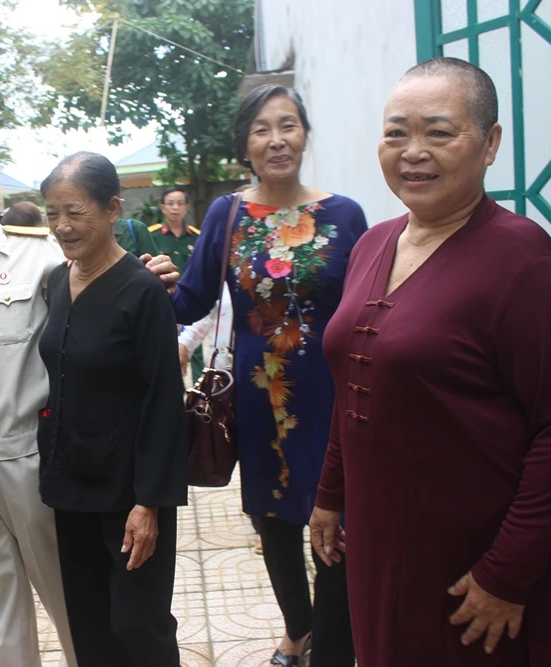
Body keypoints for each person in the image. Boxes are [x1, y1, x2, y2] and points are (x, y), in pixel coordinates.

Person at [309, 57, 551, 667]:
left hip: (473, 571)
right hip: (379, 544)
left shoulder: (525, 264)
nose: (413, 152)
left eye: (438, 132)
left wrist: (507, 573)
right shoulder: (373, 244)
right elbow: (355, 380)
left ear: (489, 144)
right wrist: (330, 493)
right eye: (396, 133)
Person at [0, 136, 179, 667]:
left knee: (77, 607)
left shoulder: (42, 253)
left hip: (36, 461)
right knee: (0, 614)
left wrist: (154, 276)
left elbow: (106, 275)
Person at [172, 85, 368, 667]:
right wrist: (135, 286)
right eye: (262, 129)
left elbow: (367, 307)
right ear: (245, 145)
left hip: (333, 397)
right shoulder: (226, 214)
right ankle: (299, 629)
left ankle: (333, 647)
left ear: (304, 135)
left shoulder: (344, 215)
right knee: (275, 522)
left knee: (340, 525)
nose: (277, 139)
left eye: (288, 125)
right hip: (263, 402)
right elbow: (191, 299)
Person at [38, 151, 188, 667]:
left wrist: (150, 503)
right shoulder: (58, 283)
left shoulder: (143, 291)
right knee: (90, 624)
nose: (62, 225)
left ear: (112, 210)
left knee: (138, 624)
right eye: (53, 213)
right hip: (69, 485)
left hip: (129, 492)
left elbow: (163, 401)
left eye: (75, 211)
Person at [151, 186, 205, 381]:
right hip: (164, 299)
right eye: (170, 203)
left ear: (187, 207)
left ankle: (200, 389)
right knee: (166, 347)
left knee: (195, 346)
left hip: (191, 299)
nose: (175, 208)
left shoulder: (197, 237)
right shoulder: (152, 235)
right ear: (162, 207)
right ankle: (174, 390)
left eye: (180, 203)